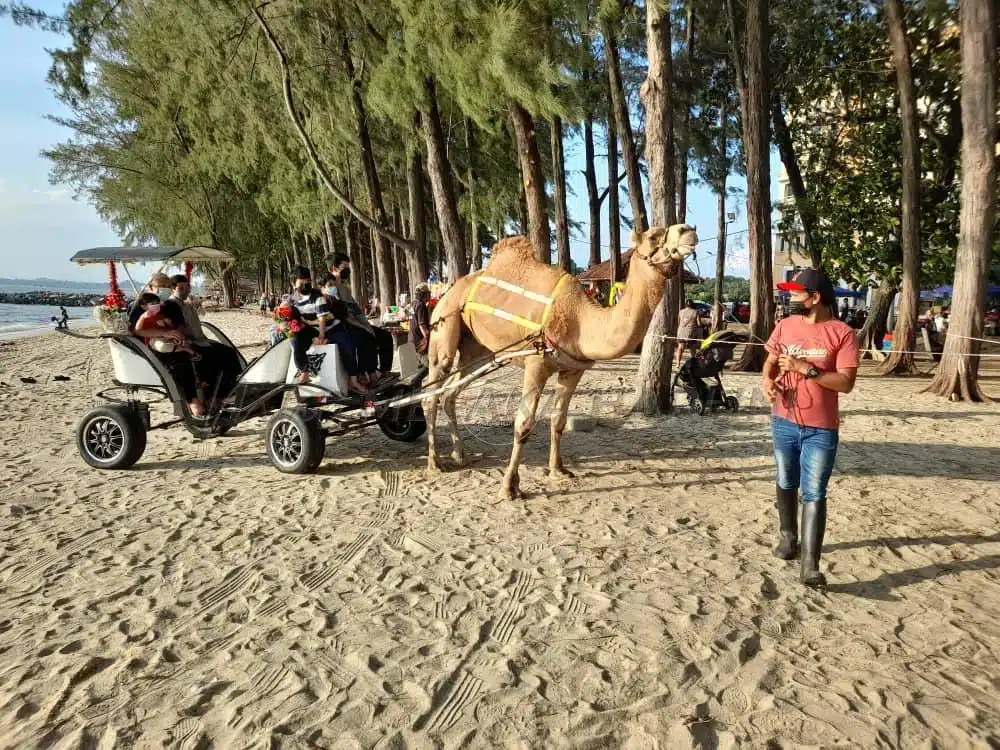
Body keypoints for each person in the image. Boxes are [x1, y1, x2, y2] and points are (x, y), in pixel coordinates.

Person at [762, 268, 858, 586]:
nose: (790, 297)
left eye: (796, 292)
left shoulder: (842, 334)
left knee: (815, 491)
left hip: (821, 429)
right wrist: (767, 382)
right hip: (784, 421)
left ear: (814, 298)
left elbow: (845, 383)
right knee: (786, 480)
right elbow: (771, 361)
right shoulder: (785, 326)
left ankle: (810, 566)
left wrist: (807, 369)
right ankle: (789, 539)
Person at [132, 290, 206, 416]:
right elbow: (138, 330)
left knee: (195, 354)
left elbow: (171, 326)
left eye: (157, 302)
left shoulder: (163, 313)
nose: (156, 305)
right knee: (172, 355)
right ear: (145, 306)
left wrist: (172, 329)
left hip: (169, 339)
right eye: (152, 303)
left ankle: (203, 394)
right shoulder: (144, 316)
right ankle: (191, 401)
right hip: (156, 342)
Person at [168, 274, 242, 402]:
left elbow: (198, 319)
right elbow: (178, 327)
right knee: (212, 356)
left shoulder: (187, 305)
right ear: (173, 289)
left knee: (229, 352)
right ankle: (218, 393)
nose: (185, 291)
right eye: (181, 288)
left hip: (200, 339)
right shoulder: (171, 305)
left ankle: (235, 386)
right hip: (187, 342)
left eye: (187, 288)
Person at [325, 252, 395, 378]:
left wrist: (366, 324)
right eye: (344, 268)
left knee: (385, 336)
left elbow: (355, 310)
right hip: (345, 326)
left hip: (356, 323)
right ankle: (370, 375)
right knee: (367, 338)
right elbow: (343, 314)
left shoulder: (343, 287)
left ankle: (385, 371)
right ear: (334, 269)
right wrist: (364, 327)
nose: (347, 271)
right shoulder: (331, 287)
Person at [675, 300, 705, 368]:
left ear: (686, 305)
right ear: (692, 305)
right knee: (692, 349)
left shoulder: (681, 312)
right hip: (691, 332)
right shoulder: (695, 312)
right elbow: (699, 324)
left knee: (680, 348)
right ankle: (693, 363)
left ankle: (678, 364)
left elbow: (678, 322)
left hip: (681, 331)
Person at [409, 282, 433, 361]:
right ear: (424, 294)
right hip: (420, 341)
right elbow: (421, 325)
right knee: (428, 364)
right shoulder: (421, 306)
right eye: (427, 293)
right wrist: (428, 336)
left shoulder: (413, 303)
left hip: (412, 339)